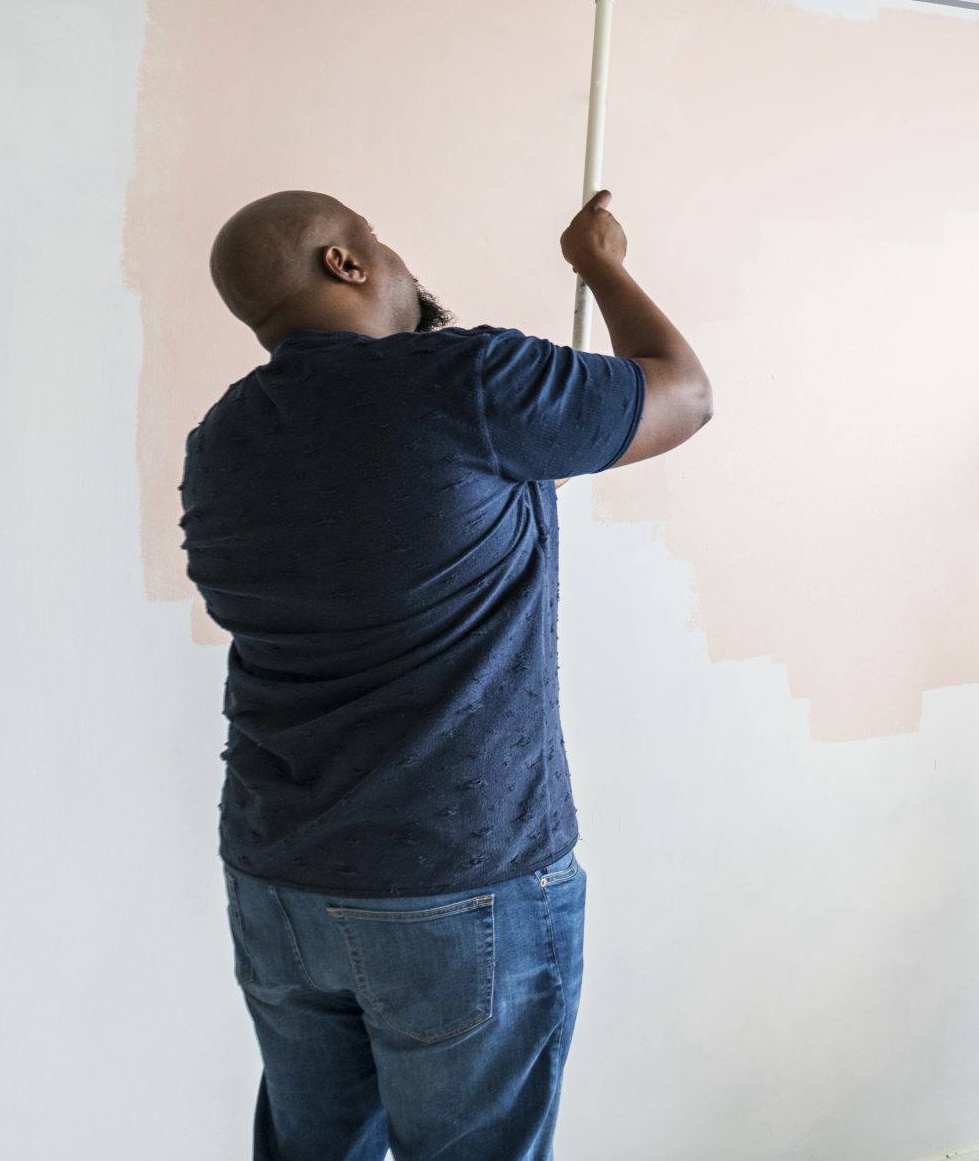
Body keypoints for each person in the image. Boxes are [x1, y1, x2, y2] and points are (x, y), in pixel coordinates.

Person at [182, 187, 711, 1161]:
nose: (391, 260)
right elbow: (680, 391)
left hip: (278, 879)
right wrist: (600, 263)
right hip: (454, 883)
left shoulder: (222, 442)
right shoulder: (460, 379)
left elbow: (330, 581)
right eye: (378, 245)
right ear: (346, 264)